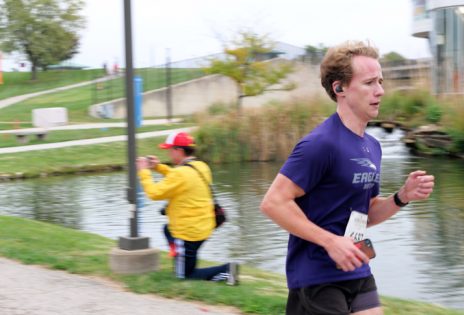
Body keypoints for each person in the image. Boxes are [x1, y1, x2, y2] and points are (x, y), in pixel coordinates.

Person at [260, 41, 435, 315]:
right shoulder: (320, 144)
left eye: (380, 81)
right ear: (339, 88)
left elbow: (367, 214)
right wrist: (331, 241)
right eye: (369, 83)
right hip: (317, 275)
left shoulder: (372, 146)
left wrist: (402, 197)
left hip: (356, 265)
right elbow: (273, 203)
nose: (380, 90)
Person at [136, 131, 239, 285]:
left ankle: (227, 270)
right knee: (167, 229)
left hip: (188, 234)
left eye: (170, 150)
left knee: (183, 277)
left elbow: (154, 193)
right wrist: (158, 167)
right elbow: (180, 176)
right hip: (204, 227)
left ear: (179, 150)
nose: (169, 153)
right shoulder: (201, 166)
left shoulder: (181, 174)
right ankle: (179, 254)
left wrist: (144, 171)